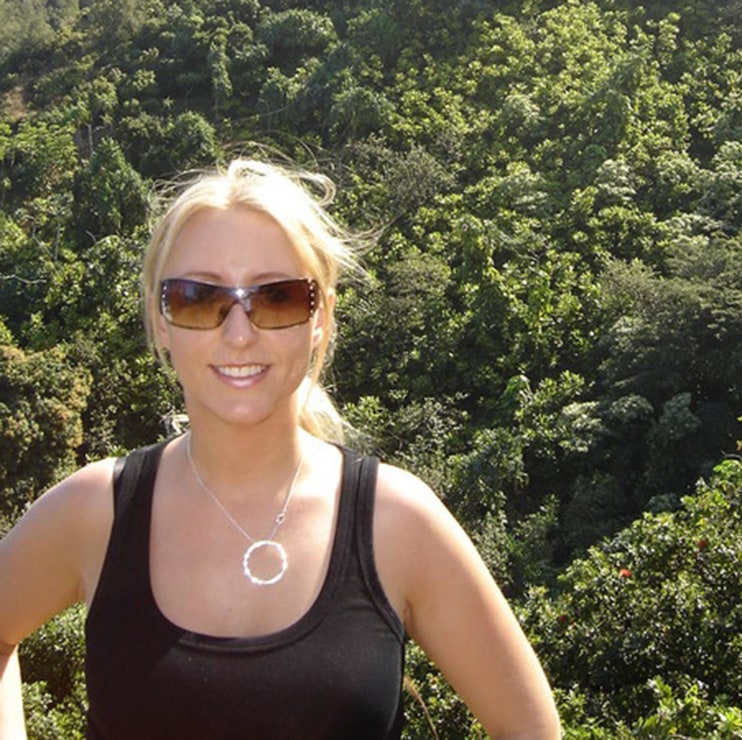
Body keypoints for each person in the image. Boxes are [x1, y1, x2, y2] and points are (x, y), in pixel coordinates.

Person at [0, 158, 561, 739]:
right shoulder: (97, 512)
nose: (239, 332)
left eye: (278, 298)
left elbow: (530, 728)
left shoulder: (396, 524)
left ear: (321, 318)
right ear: (160, 320)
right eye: (197, 297)